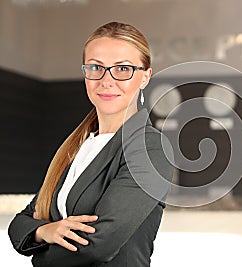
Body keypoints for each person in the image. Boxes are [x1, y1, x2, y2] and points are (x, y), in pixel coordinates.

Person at [8, 21, 174, 267]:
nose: (106, 81)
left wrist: (38, 253)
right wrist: (45, 231)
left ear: (145, 77)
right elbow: (20, 223)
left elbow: (97, 247)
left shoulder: (149, 148)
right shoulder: (79, 146)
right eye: (96, 67)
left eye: (123, 69)